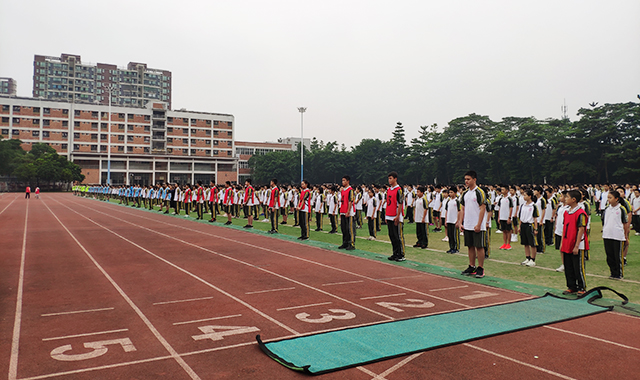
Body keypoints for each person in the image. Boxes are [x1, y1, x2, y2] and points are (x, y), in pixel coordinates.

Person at [457, 170, 487, 278]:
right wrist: (461, 222)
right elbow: (462, 208)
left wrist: (479, 224)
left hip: (477, 224)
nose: (466, 181)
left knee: (479, 246)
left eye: (468, 179)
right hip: (468, 224)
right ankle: (471, 265)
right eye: (465, 179)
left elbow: (482, 208)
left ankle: (480, 267)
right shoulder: (465, 193)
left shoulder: (479, 192)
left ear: (474, 179)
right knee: (470, 246)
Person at [560, 190, 589, 295]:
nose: (565, 198)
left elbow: (581, 229)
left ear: (574, 199)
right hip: (567, 242)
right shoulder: (566, 212)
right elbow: (565, 228)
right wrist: (562, 242)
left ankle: (582, 287)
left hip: (577, 243)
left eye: (567, 197)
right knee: (568, 266)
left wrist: (576, 246)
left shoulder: (580, 213)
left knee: (578, 267)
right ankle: (571, 286)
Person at [602, 190, 627, 279]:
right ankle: (612, 272)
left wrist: (625, 235)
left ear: (616, 199)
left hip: (617, 235)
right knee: (609, 255)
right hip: (607, 234)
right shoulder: (606, 209)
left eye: (610, 197)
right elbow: (604, 221)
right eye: (608, 198)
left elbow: (624, 223)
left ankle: (619, 273)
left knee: (617, 256)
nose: (608, 199)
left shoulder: (621, 209)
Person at [386, 172, 406, 262]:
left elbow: (400, 203)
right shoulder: (389, 190)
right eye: (389, 178)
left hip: (396, 215)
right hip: (389, 215)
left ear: (395, 179)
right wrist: (386, 216)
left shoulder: (399, 190)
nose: (389, 180)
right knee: (392, 235)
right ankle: (395, 253)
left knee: (398, 235)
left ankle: (401, 254)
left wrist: (398, 216)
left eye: (391, 178)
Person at [519, 189, 540, 267]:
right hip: (523, 225)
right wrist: (519, 226)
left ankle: (533, 259)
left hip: (530, 225)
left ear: (530, 196)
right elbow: (521, 217)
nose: (524, 197)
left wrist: (536, 229)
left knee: (532, 243)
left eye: (525, 195)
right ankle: (527, 257)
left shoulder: (533, 206)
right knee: (525, 243)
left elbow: (535, 218)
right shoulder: (523, 205)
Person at [338, 176, 356, 250]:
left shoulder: (350, 190)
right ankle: (345, 242)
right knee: (344, 228)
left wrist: (348, 211)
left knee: (350, 228)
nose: (342, 182)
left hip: (349, 212)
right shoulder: (342, 190)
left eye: (344, 180)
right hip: (343, 210)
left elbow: (350, 201)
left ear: (348, 181)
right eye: (342, 180)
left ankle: (351, 243)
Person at [444, 187, 461, 253]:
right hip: (449, 220)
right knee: (450, 235)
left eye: (452, 192)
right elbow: (447, 211)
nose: (450, 194)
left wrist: (458, 220)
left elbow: (459, 211)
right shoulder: (448, 201)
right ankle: (451, 247)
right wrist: (446, 220)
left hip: (454, 220)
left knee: (455, 235)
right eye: (449, 192)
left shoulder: (457, 201)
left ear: (455, 193)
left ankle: (456, 248)